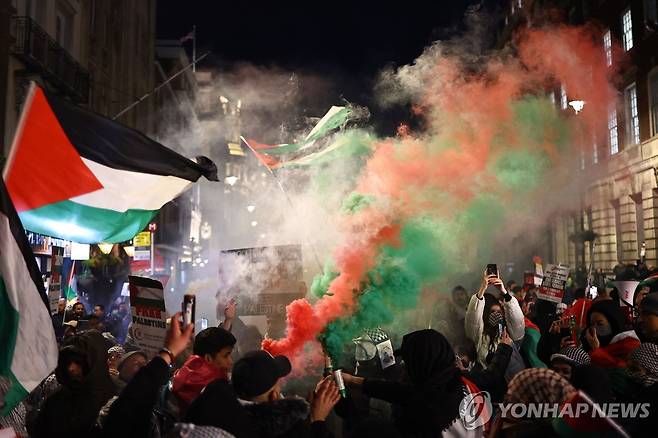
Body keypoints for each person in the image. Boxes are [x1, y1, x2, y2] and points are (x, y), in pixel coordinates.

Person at [342, 329, 486, 437]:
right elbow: (402, 392)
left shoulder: (423, 413)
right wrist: (354, 381)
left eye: (409, 363)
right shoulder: (457, 382)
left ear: (423, 365)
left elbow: (410, 398)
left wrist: (349, 416)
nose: (404, 368)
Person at [101, 312, 194, 438]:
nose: (142, 367)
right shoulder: (111, 396)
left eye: (145, 364)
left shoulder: (156, 404)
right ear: (121, 368)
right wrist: (168, 352)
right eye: (136, 363)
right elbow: (138, 391)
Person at [231, 350, 339, 437]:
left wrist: (309, 413)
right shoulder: (286, 431)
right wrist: (318, 420)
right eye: (279, 387)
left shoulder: (229, 421)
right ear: (274, 396)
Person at [33, 330, 116, 437]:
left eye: (78, 362)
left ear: (95, 361)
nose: (71, 369)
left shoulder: (113, 399)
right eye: (67, 362)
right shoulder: (56, 401)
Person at [465, 271, 525, 375]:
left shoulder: (508, 334)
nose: (496, 315)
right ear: (484, 315)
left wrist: (504, 292)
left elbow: (518, 322)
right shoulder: (479, 336)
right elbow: (472, 320)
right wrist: (481, 290)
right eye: (492, 312)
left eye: (498, 312)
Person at [171, 326, 236, 414]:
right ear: (208, 358)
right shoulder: (215, 390)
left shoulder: (180, 375)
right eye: (226, 355)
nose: (230, 361)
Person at [581, 299, 640, 367]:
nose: (594, 328)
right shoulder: (589, 342)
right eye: (592, 324)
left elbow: (621, 370)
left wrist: (596, 349)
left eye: (600, 324)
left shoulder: (629, 345)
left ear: (613, 324)